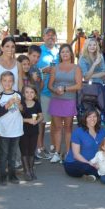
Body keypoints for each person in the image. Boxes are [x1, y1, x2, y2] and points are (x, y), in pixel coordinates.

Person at [48, 44, 83, 163]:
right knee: (57, 128)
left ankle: (68, 152)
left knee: (68, 128)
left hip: (69, 100)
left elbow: (79, 85)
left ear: (71, 54)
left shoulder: (76, 68)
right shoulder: (55, 68)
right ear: (60, 54)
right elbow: (50, 85)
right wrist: (55, 90)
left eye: (67, 52)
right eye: (62, 52)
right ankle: (57, 152)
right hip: (56, 99)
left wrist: (65, 89)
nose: (65, 54)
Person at [0, 71, 24, 185]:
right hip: (3, 130)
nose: (7, 83)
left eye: (10, 81)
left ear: (13, 82)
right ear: (1, 82)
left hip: (16, 129)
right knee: (3, 154)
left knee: (13, 155)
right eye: (5, 80)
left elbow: (23, 110)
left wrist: (19, 104)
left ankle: (12, 175)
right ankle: (3, 176)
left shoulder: (18, 94)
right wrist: (8, 104)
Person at [63, 109, 105, 181]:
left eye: (94, 116)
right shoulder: (78, 132)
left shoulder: (102, 131)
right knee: (86, 167)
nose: (92, 119)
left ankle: (91, 175)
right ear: (85, 118)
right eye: (89, 117)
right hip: (74, 163)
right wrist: (89, 163)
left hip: (94, 162)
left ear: (98, 118)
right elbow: (76, 155)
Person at [36, 28, 59, 159]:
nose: (51, 37)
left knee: (56, 123)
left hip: (58, 93)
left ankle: (54, 148)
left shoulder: (59, 52)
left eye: (53, 35)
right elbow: (32, 68)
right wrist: (43, 70)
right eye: (48, 35)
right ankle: (40, 147)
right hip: (44, 91)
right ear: (43, 37)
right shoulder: (39, 51)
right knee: (42, 121)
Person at [0, 37, 22, 102]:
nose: (10, 49)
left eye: (12, 47)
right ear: (2, 48)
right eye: (7, 46)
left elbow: (20, 86)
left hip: (14, 103)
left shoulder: (18, 64)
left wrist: (21, 99)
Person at [20, 85, 43, 181]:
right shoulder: (21, 104)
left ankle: (31, 169)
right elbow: (17, 118)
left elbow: (41, 116)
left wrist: (36, 121)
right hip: (23, 131)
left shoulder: (37, 103)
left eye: (32, 92)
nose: (29, 94)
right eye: (27, 92)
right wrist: (28, 120)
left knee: (31, 151)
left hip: (34, 131)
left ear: (35, 94)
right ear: (23, 94)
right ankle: (26, 171)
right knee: (24, 151)